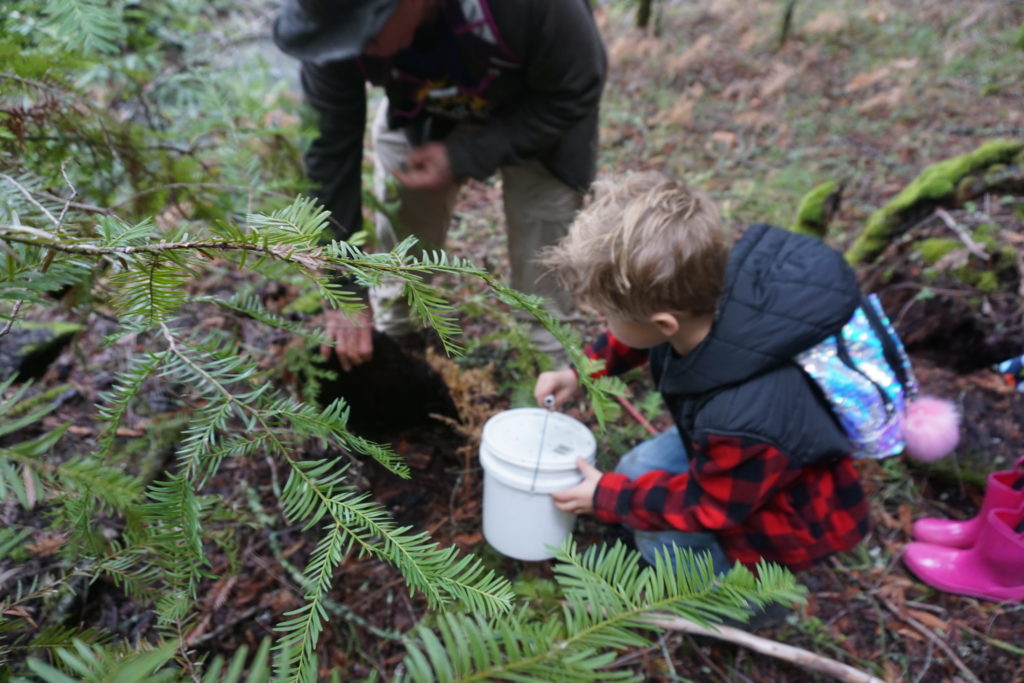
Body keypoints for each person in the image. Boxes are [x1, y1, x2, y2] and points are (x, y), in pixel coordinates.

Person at [532, 171, 870, 575]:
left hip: (782, 522)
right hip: (734, 448)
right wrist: (580, 372)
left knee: (663, 538)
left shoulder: (742, 419)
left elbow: (708, 506)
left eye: (608, 315)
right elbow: (636, 336)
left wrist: (609, 498)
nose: (605, 321)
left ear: (664, 324)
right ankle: (637, 536)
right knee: (637, 470)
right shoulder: (703, 293)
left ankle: (748, 604)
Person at [273, 0, 607, 370]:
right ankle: (399, 333)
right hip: (425, 105)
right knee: (406, 202)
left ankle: (547, 366)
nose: (353, 51)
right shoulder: (333, 26)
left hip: (539, 104)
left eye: (366, 33)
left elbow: (575, 88)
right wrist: (343, 290)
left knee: (542, 220)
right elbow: (329, 153)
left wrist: (464, 156)